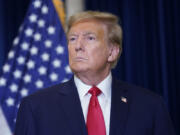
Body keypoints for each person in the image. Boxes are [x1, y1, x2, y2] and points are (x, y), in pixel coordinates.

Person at [15, 11, 175, 135]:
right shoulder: (35, 107)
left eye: (89, 38)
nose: (78, 46)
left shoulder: (150, 106)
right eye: (72, 39)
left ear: (112, 52)